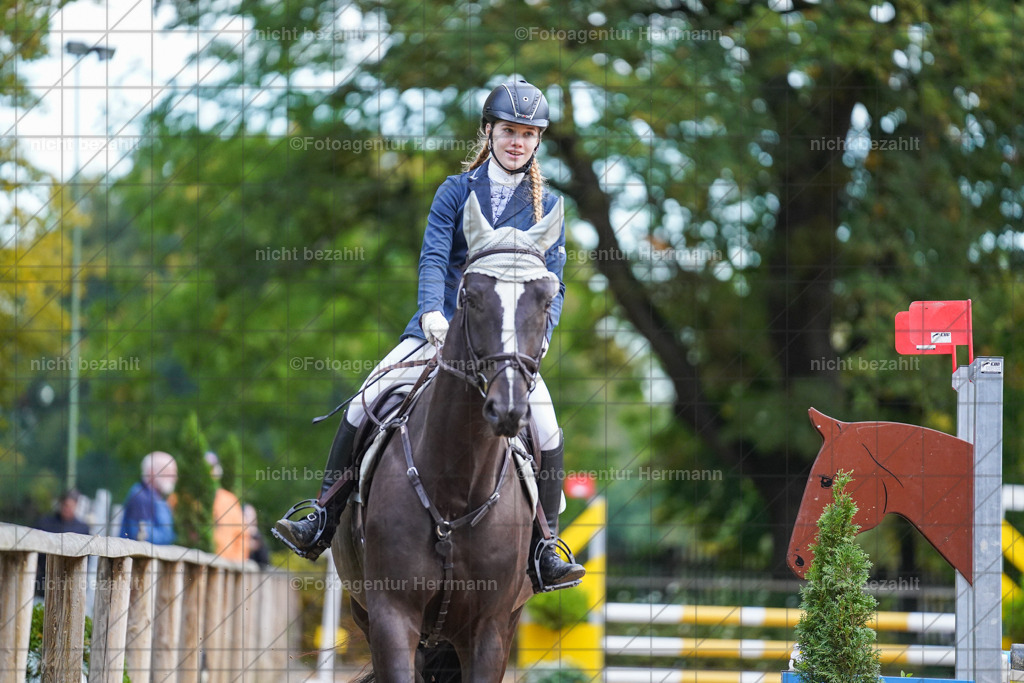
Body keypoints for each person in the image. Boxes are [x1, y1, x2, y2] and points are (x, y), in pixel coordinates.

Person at [274, 79, 585, 588]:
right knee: (365, 399)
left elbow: (555, 281)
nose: (518, 142)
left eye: (528, 134)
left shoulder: (546, 206)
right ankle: (323, 516)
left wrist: (543, 333)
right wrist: (431, 316)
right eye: (509, 131)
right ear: (489, 131)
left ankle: (546, 547)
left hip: (505, 346)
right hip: (439, 330)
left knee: (547, 430)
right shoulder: (455, 191)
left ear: (537, 141)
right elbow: (434, 259)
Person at [33, 489, 91, 597]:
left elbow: (87, 559)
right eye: (65, 505)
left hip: (71, 580)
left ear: (76, 506)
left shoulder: (83, 528)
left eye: (71, 506)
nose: (67, 509)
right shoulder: (44, 523)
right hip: (44, 579)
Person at [119, 451, 177, 544]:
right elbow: (142, 536)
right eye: (169, 472)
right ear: (152, 472)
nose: (174, 478)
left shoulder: (158, 498)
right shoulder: (140, 497)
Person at [205, 451, 248, 562]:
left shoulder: (229, 500)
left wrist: (237, 562)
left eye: (211, 468)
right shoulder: (186, 498)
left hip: (226, 564)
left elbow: (242, 535)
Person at [244, 503, 270, 567]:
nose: (252, 519)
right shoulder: (238, 534)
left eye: (253, 516)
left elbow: (265, 561)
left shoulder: (258, 536)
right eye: (248, 516)